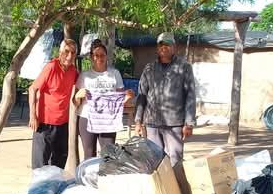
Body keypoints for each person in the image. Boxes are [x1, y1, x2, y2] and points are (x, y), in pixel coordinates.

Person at [134, 32, 196, 166]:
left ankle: (177, 186)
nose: (164, 47)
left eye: (168, 44)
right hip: (152, 124)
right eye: (161, 45)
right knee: (155, 161)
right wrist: (138, 121)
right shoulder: (149, 68)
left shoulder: (184, 67)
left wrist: (189, 123)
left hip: (174, 124)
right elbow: (142, 95)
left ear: (174, 47)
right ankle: (161, 187)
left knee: (175, 160)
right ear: (157, 48)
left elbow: (190, 95)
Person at [72, 39, 134, 159]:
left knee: (109, 155)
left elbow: (120, 100)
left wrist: (127, 97)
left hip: (108, 120)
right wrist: (78, 95)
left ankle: (106, 177)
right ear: (91, 57)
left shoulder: (114, 74)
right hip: (87, 118)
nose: (99, 58)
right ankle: (90, 177)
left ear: (106, 56)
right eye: (96, 55)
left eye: (102, 55)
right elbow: (75, 103)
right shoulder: (84, 76)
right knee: (89, 155)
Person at [28, 39, 78, 169]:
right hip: (44, 124)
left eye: (73, 52)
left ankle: (54, 189)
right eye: (66, 51)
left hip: (62, 124)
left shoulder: (73, 71)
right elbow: (32, 89)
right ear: (60, 52)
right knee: (39, 165)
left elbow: (83, 85)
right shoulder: (51, 67)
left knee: (59, 165)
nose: (69, 56)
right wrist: (33, 116)